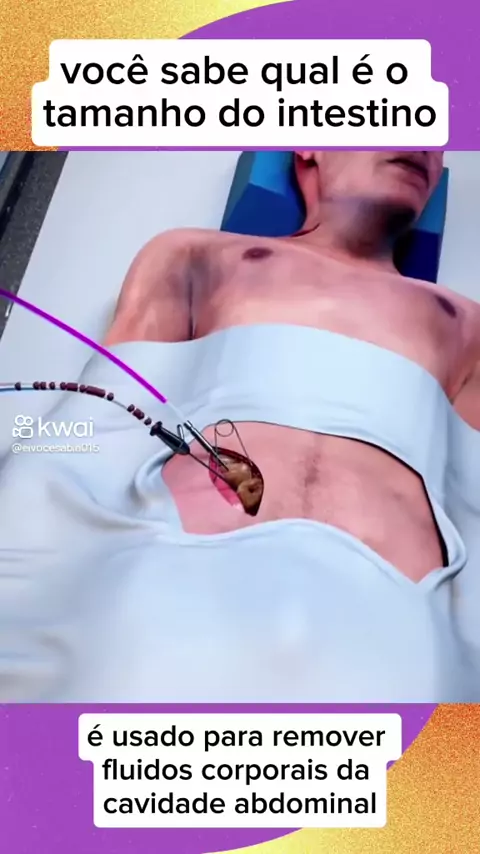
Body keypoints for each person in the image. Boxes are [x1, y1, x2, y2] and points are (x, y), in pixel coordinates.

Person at [0, 150, 479, 702]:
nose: (422, 145)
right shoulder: (197, 255)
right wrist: (22, 522)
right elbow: (102, 411)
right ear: (310, 145)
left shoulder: (465, 323)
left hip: (399, 629)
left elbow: (473, 497)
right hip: (172, 584)